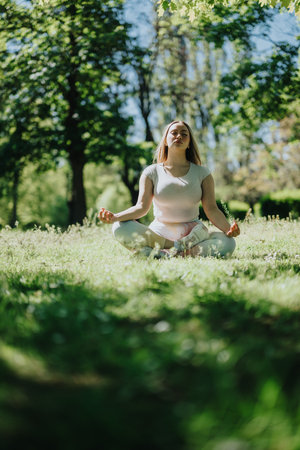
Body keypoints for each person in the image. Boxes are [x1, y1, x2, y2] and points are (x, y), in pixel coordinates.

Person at [98, 120, 240, 258]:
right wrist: (115, 217)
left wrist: (228, 229)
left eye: (184, 134)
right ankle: (175, 247)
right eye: (174, 133)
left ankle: (162, 254)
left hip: (193, 234)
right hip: (159, 234)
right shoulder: (151, 172)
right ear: (165, 140)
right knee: (119, 227)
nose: (179, 136)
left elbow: (212, 209)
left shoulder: (203, 173)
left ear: (189, 142)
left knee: (228, 243)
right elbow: (141, 207)